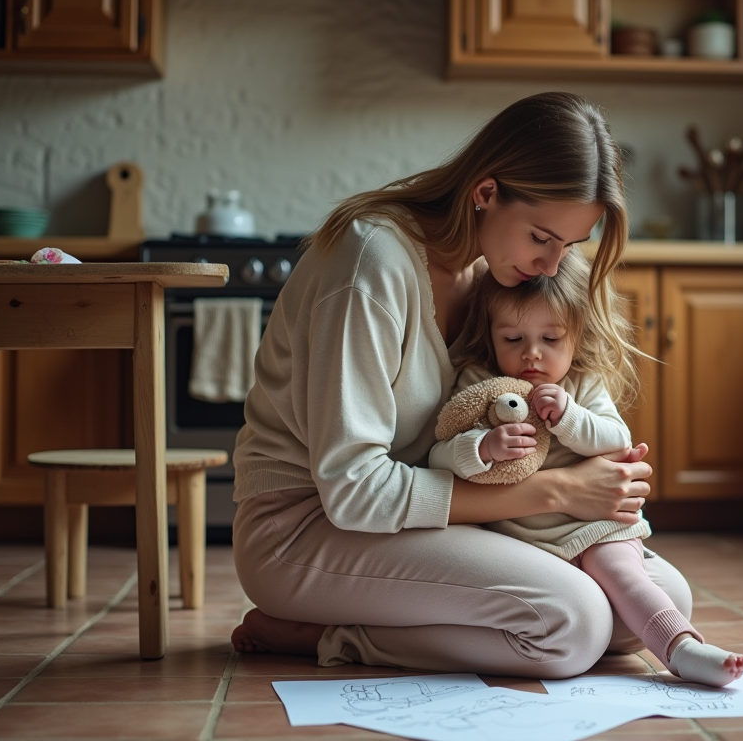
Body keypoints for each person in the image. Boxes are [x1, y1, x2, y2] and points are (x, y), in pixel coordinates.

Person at [228, 92, 694, 679]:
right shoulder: (370, 265)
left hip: (426, 522)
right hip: (305, 530)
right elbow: (352, 492)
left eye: (569, 247)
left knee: (661, 602)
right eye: (542, 237)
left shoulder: (490, 272)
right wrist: (558, 493)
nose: (552, 267)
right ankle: (332, 634)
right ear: (486, 192)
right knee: (571, 625)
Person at [431, 249, 743, 687]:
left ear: (577, 337)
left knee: (623, 573)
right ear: (489, 336)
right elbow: (439, 455)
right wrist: (482, 447)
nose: (532, 356)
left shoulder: (581, 383)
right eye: (513, 339)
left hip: (595, 525)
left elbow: (616, 438)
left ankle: (682, 649)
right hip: (521, 538)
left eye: (551, 339)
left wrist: (569, 418)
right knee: (568, 602)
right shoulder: (479, 384)